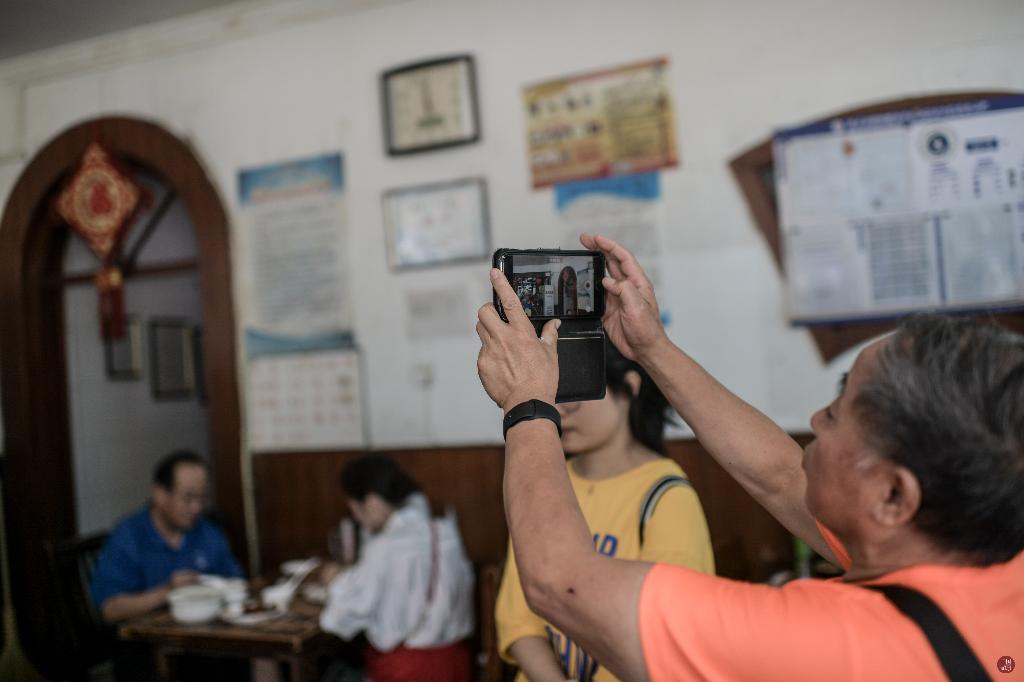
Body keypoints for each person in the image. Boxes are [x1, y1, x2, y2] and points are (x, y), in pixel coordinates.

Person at [475, 233, 1024, 681]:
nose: (813, 422)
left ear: (893, 496)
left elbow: (561, 584)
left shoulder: (825, 645)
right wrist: (653, 348)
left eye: (836, 412)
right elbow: (783, 476)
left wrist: (527, 405)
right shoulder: (989, 559)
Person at [495, 340, 714, 682]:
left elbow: (664, 638)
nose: (560, 411)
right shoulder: (543, 482)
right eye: (554, 395)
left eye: (575, 395)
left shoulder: (666, 496)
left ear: (630, 388)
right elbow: (519, 621)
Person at [318, 454, 476, 682]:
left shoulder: (385, 547)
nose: (357, 519)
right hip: (457, 665)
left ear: (371, 503)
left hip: (408, 671)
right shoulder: (443, 530)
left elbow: (338, 618)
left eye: (354, 509)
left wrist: (336, 581)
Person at [90, 450, 243, 623]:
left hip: (206, 633)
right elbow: (110, 609)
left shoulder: (207, 530)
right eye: (188, 498)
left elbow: (234, 580)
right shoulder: (129, 536)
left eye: (202, 498)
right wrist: (167, 592)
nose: (197, 508)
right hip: (144, 641)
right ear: (160, 494)